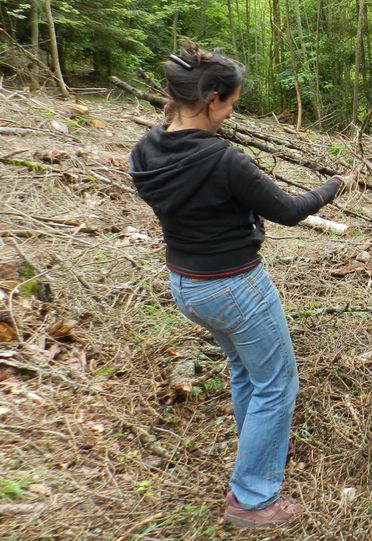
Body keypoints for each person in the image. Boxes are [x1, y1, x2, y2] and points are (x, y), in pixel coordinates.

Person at [128, 43, 355, 529]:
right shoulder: (221, 159)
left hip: (186, 284)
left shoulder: (146, 149)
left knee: (245, 370)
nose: (231, 113)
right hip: (234, 287)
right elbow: (290, 211)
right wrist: (333, 186)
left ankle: (260, 448)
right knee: (278, 382)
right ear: (211, 99)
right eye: (230, 103)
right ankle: (253, 499)